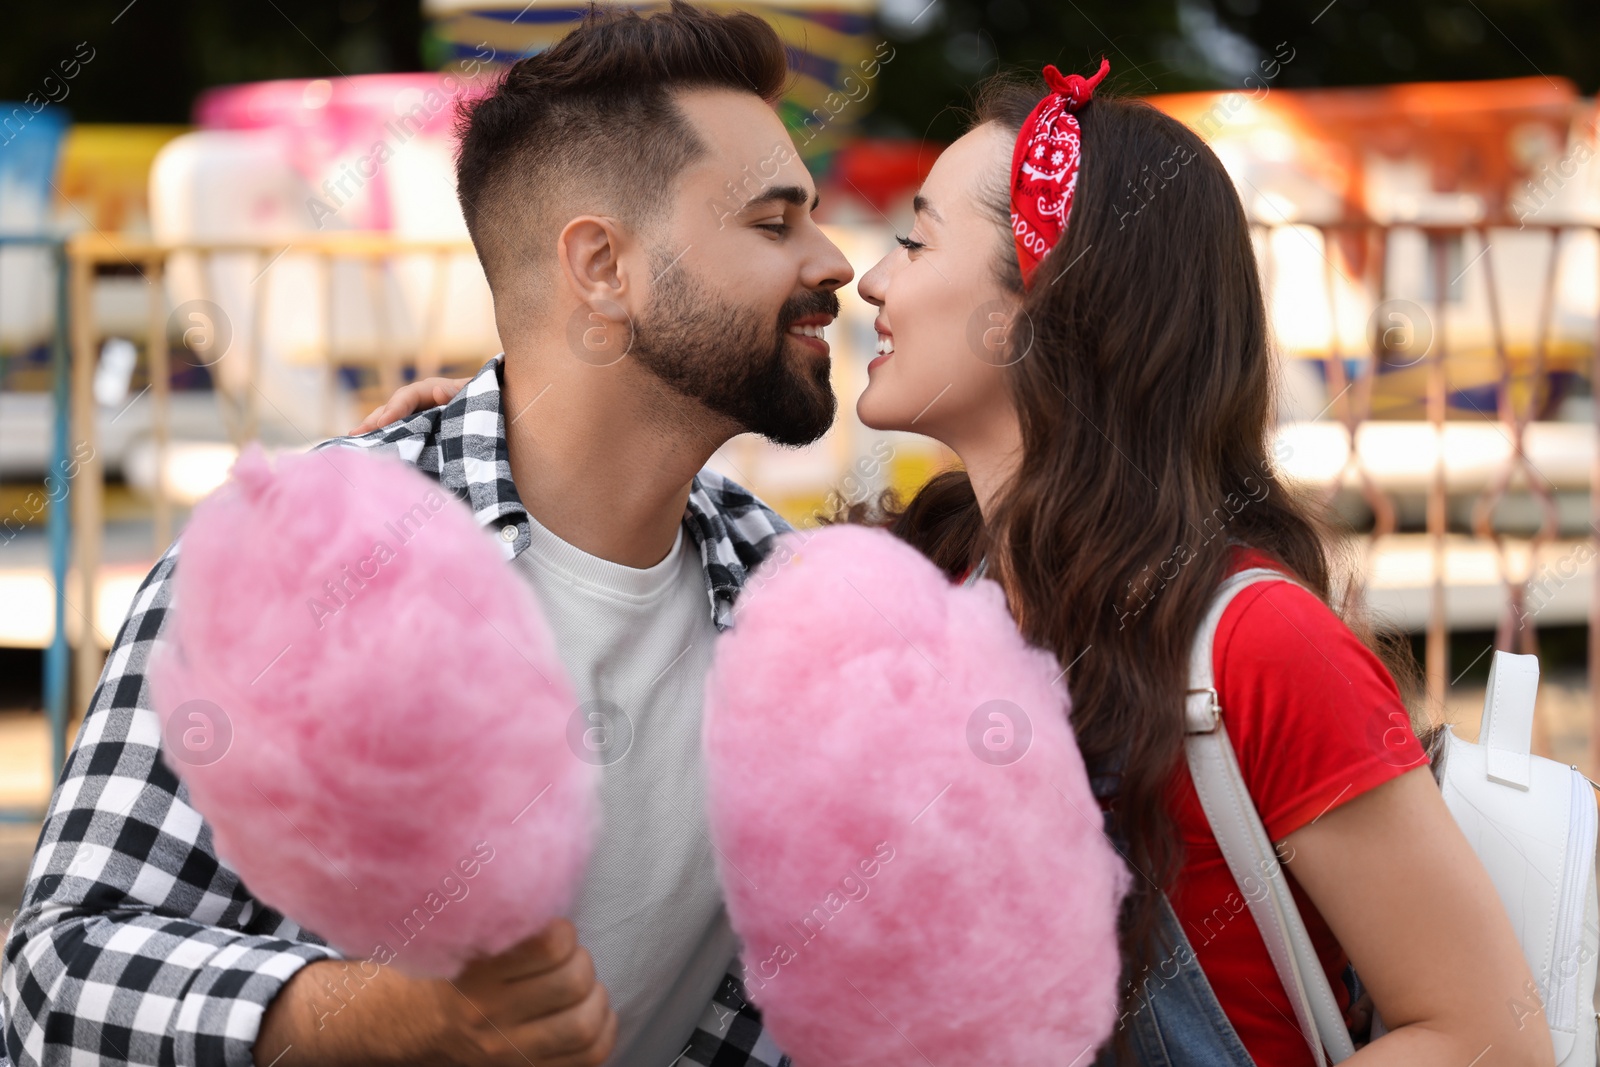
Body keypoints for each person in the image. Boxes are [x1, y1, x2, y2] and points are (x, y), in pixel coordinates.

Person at [365, 61, 1555, 1067]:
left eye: (916, 236)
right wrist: (494, 441)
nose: (866, 276)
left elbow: (1485, 1032)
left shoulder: (1251, 642)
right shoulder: (916, 593)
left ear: (1039, 307)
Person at [0, 4, 852, 1066]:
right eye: (774, 223)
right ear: (601, 268)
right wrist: (397, 1018)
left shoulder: (793, 607)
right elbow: (59, 977)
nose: (834, 260)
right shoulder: (309, 553)